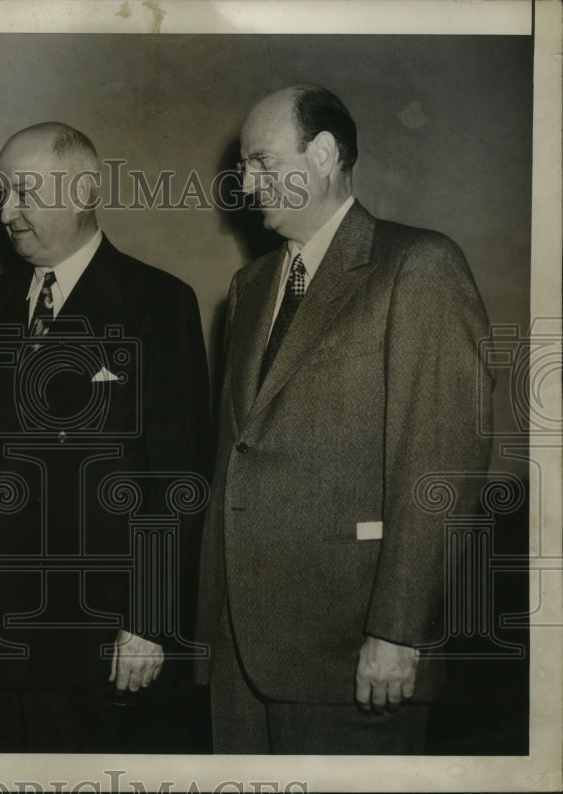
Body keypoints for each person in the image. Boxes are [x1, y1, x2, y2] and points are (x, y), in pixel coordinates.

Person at [0, 123, 211, 752]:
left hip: (97, 634)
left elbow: (176, 475)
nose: (7, 214)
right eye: (2, 195)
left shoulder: (158, 303)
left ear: (84, 189)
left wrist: (148, 619)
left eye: (25, 192)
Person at [194, 84, 494, 754]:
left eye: (262, 162)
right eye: (243, 166)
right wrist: (209, 633)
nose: (245, 183)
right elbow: (234, 460)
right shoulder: (248, 289)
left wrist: (398, 630)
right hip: (239, 653)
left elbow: (439, 462)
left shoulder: (417, 266)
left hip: (353, 651)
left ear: (324, 153)